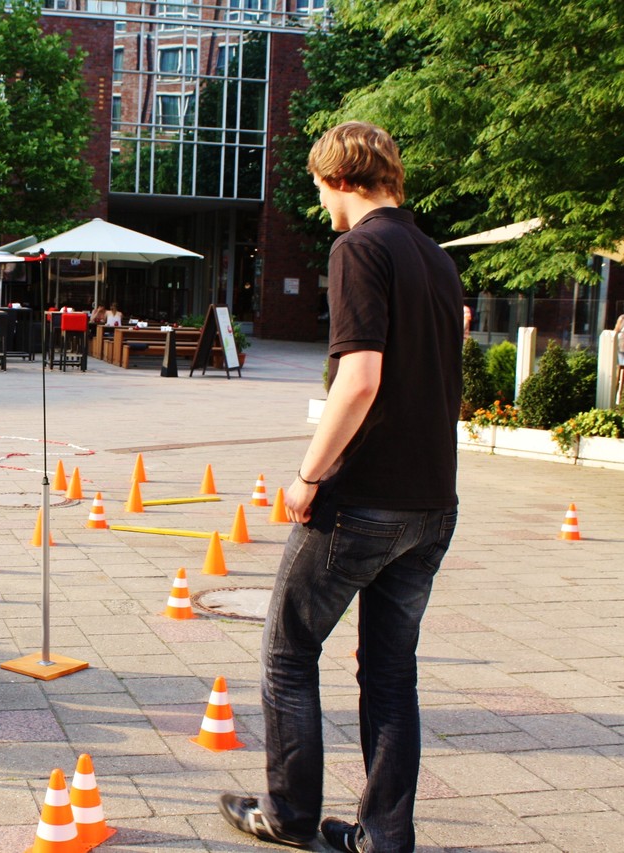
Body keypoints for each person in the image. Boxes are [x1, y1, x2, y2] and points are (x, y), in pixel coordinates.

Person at [219, 121, 462, 853]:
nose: (319, 200)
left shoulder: (357, 247)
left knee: (287, 652)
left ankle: (288, 815)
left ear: (340, 179)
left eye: (319, 186)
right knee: (390, 671)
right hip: (431, 502)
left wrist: (306, 476)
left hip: (361, 498)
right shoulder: (436, 259)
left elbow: (358, 379)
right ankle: (384, 836)